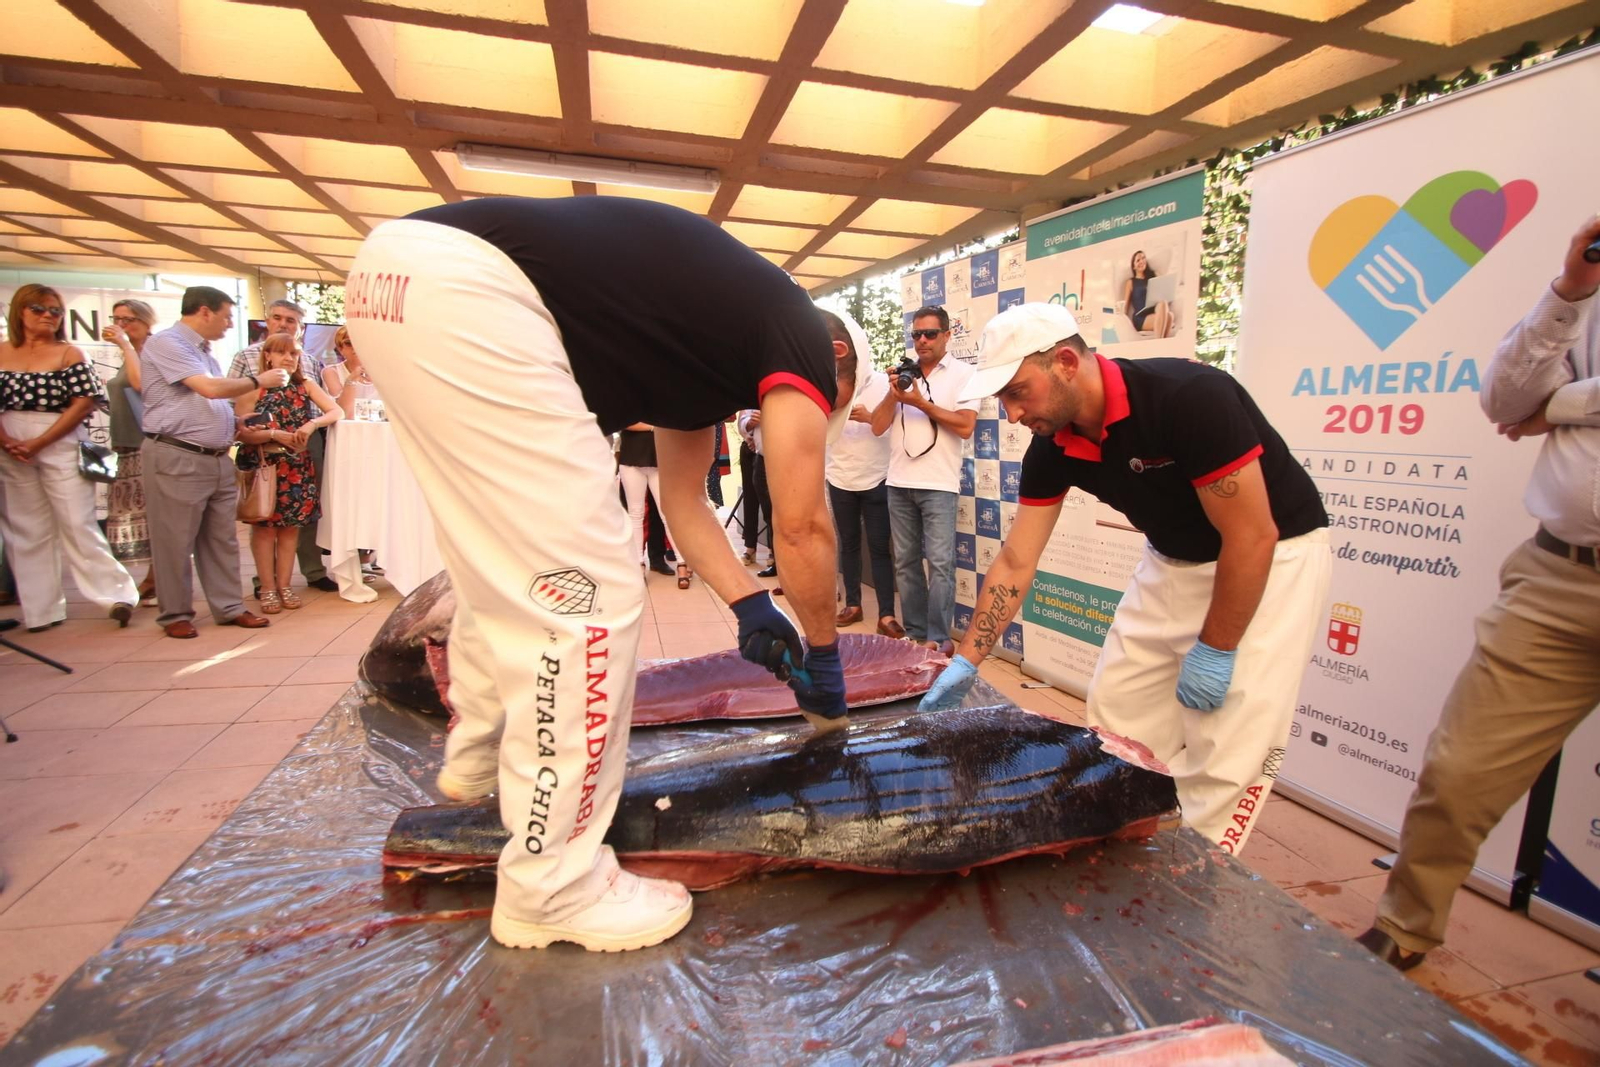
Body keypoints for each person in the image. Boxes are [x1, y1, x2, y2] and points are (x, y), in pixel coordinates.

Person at [347, 195, 852, 954]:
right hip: (469, 290)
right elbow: (802, 524)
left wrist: (752, 606)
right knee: (585, 589)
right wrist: (822, 650)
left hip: (397, 275)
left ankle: (481, 745)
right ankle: (554, 885)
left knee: (503, 552)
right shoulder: (804, 339)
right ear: (835, 366)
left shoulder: (712, 347)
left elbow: (685, 503)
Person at [919, 303, 1330, 854]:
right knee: (1116, 714)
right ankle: (1122, 846)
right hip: (1171, 559)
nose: (1012, 415)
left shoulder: (1188, 396)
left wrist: (1217, 648)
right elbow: (1017, 560)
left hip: (1270, 558)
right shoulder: (1053, 442)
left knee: (1228, 744)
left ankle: (1201, 878)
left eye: (1017, 392)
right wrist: (969, 659)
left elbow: (1251, 535)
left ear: (1066, 361)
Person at [1357, 216, 1600, 971]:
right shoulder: (1583, 297)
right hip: (1561, 576)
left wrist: (1561, 407)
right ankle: (1404, 926)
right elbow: (1503, 401)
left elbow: (1537, 410)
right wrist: (1570, 290)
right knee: (1458, 771)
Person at [140, 285, 282, 639]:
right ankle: (174, 613)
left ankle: (229, 606)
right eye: (225, 316)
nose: (228, 324)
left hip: (216, 457)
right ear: (204, 311)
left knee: (221, 538)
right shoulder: (167, 343)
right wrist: (257, 380)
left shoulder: (205, 352)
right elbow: (209, 389)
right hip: (178, 454)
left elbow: (208, 401)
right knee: (174, 539)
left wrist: (235, 424)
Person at [0, 285, 138, 632]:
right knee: (25, 528)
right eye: (38, 309)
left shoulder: (70, 353)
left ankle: (116, 596)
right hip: (10, 439)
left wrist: (40, 440)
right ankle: (41, 610)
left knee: (78, 522)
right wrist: (7, 441)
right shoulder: (2, 353)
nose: (48, 315)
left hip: (58, 436)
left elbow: (84, 402)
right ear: (19, 312)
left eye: (55, 310)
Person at [870, 305, 977, 652]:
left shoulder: (964, 374)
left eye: (930, 334)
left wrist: (919, 402)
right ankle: (916, 637)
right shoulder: (905, 375)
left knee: (941, 564)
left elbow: (965, 426)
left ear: (947, 335)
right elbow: (877, 425)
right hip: (898, 482)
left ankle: (940, 638)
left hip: (939, 484)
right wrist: (895, 391)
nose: (923, 340)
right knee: (905, 563)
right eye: (917, 334)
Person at [228, 299, 336, 593]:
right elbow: (234, 408)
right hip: (263, 452)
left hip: (303, 446)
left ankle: (309, 573)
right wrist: (273, 434)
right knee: (263, 514)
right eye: (277, 318)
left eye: (291, 320)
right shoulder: (246, 358)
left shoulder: (311, 362)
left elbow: (328, 406)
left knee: (300, 517)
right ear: (267, 322)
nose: (283, 323)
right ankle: (264, 583)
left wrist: (310, 427)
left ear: (300, 328)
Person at [820, 309, 901, 637]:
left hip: (877, 476)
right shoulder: (824, 380)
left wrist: (868, 415)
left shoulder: (884, 383)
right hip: (840, 476)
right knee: (848, 543)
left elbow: (887, 427)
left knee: (880, 547)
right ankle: (852, 604)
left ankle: (886, 614)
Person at [102, 298, 159, 603]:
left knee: (150, 514)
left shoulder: (151, 350)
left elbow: (141, 385)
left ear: (147, 322)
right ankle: (152, 579)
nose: (122, 325)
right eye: (118, 319)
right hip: (124, 441)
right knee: (134, 515)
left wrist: (124, 343)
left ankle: (156, 579)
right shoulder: (129, 354)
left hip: (146, 442)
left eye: (129, 319)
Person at [617, 424, 689, 585]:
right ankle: (639, 564)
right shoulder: (626, 399)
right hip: (631, 458)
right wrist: (656, 426)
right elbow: (626, 422)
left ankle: (682, 563)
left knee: (667, 514)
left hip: (661, 457)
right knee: (636, 514)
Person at [734, 407, 773, 569]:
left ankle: (773, 549)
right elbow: (741, 422)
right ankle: (750, 547)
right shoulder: (748, 392)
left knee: (769, 504)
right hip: (749, 449)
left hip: (770, 452)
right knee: (749, 499)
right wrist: (749, 429)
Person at [322, 324, 379, 421]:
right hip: (345, 432)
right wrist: (352, 379)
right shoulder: (332, 372)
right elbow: (343, 412)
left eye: (362, 342)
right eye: (349, 343)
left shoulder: (384, 373)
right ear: (340, 349)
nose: (356, 347)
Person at [1123, 250, 1172, 340]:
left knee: (1169, 314)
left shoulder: (1154, 275)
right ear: (1134, 266)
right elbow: (1125, 306)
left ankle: (1161, 343)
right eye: (1138, 260)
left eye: (1143, 258)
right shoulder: (1130, 282)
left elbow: (1164, 294)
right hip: (1141, 318)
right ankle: (1159, 342)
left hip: (1155, 312)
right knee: (1166, 312)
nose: (1141, 261)